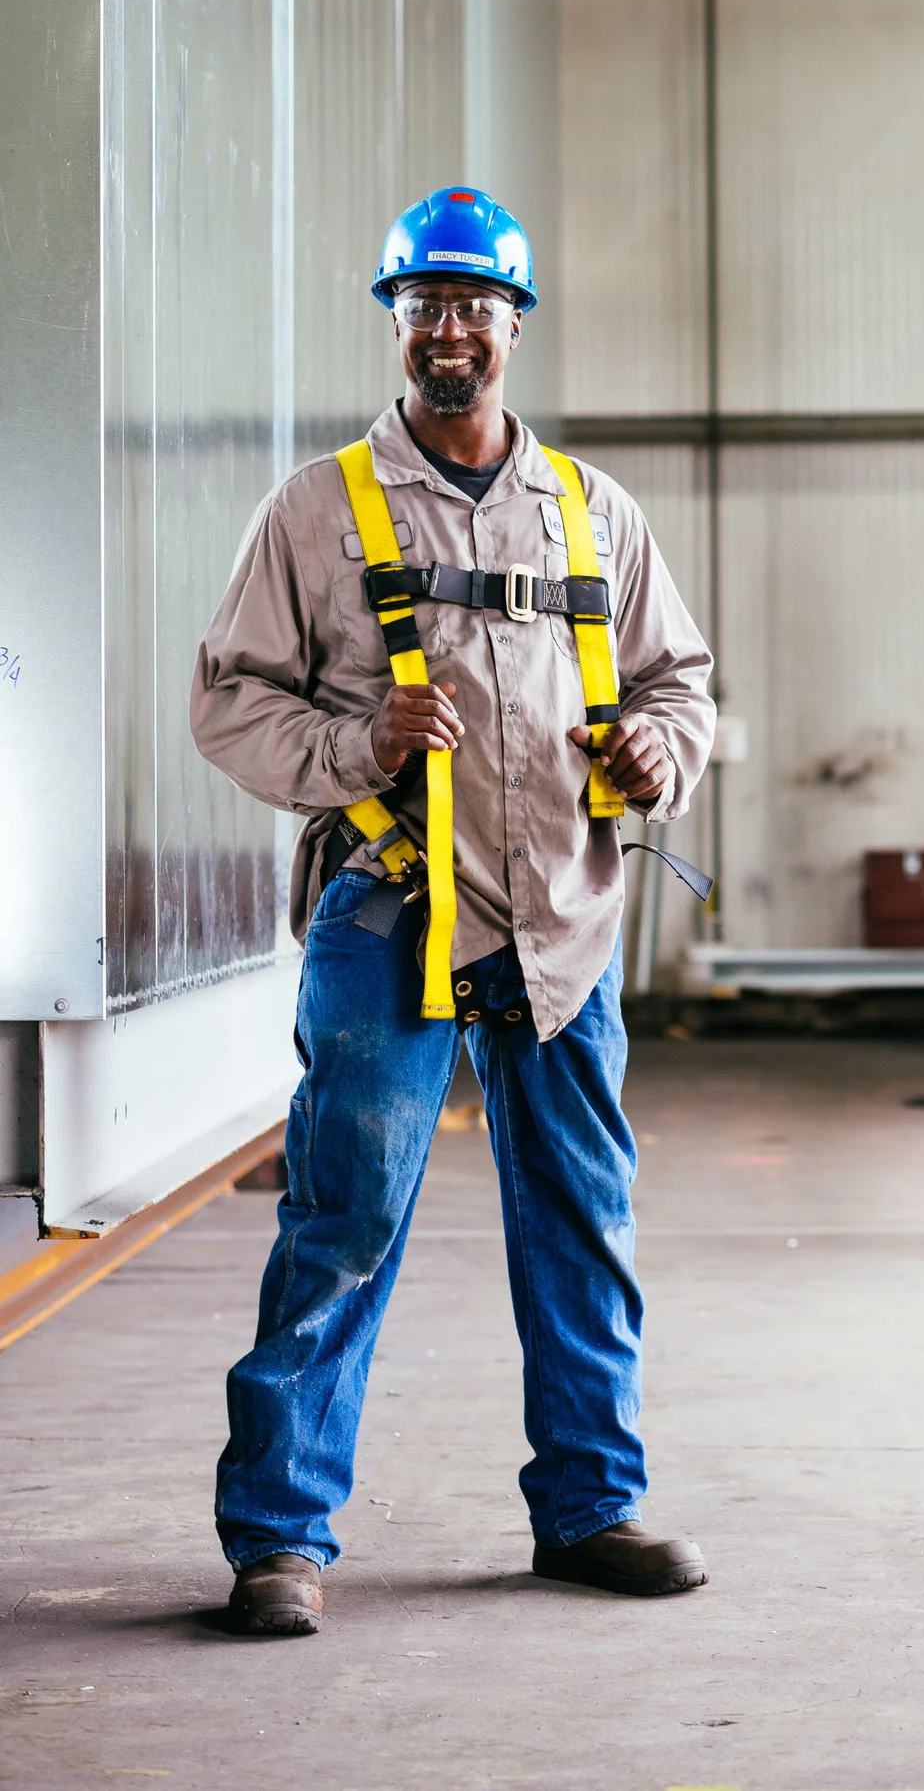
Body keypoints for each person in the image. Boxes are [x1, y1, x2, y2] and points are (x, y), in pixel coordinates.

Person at [191, 186, 715, 1635]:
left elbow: (680, 678)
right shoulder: (318, 510)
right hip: (389, 916)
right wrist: (355, 747)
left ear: (514, 328)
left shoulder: (592, 513)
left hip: (563, 916)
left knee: (581, 1216)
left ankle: (591, 1505)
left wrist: (665, 748)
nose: (450, 329)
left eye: (476, 305)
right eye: (425, 304)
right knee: (344, 1214)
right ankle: (281, 1537)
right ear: (396, 322)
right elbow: (227, 703)